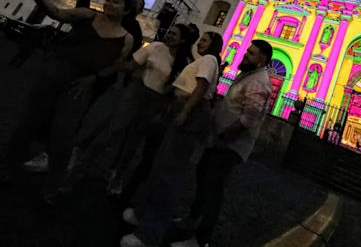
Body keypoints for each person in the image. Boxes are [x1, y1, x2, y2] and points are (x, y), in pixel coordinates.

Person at [6, 0, 134, 204]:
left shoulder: (126, 39)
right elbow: (56, 12)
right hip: (54, 74)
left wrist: (94, 78)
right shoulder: (88, 15)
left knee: (63, 136)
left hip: (79, 86)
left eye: (116, 1)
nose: (108, 2)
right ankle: (8, 168)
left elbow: (117, 65)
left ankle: (51, 188)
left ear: (126, 11)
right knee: (28, 123)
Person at [120, 32, 224, 247]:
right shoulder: (203, 61)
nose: (199, 43)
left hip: (189, 112)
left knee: (170, 174)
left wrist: (185, 112)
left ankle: (149, 232)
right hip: (182, 109)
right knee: (161, 165)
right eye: (200, 39)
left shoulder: (210, 60)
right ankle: (143, 213)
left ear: (214, 46)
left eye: (204, 40)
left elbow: (201, 87)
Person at [65, 24, 194, 195]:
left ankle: (117, 177)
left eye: (174, 34)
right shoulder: (156, 47)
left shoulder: (184, 62)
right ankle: (80, 167)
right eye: (169, 32)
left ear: (183, 40)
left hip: (156, 102)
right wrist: (116, 63)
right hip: (137, 93)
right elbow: (133, 65)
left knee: (134, 141)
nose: (169, 35)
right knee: (114, 130)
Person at [169, 40, 273, 247]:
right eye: (247, 52)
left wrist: (225, 135)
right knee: (202, 174)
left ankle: (200, 239)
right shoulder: (249, 76)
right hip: (219, 141)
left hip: (230, 145)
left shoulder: (258, 82)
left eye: (251, 54)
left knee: (213, 188)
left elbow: (249, 118)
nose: (245, 55)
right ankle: (192, 219)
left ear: (262, 59)